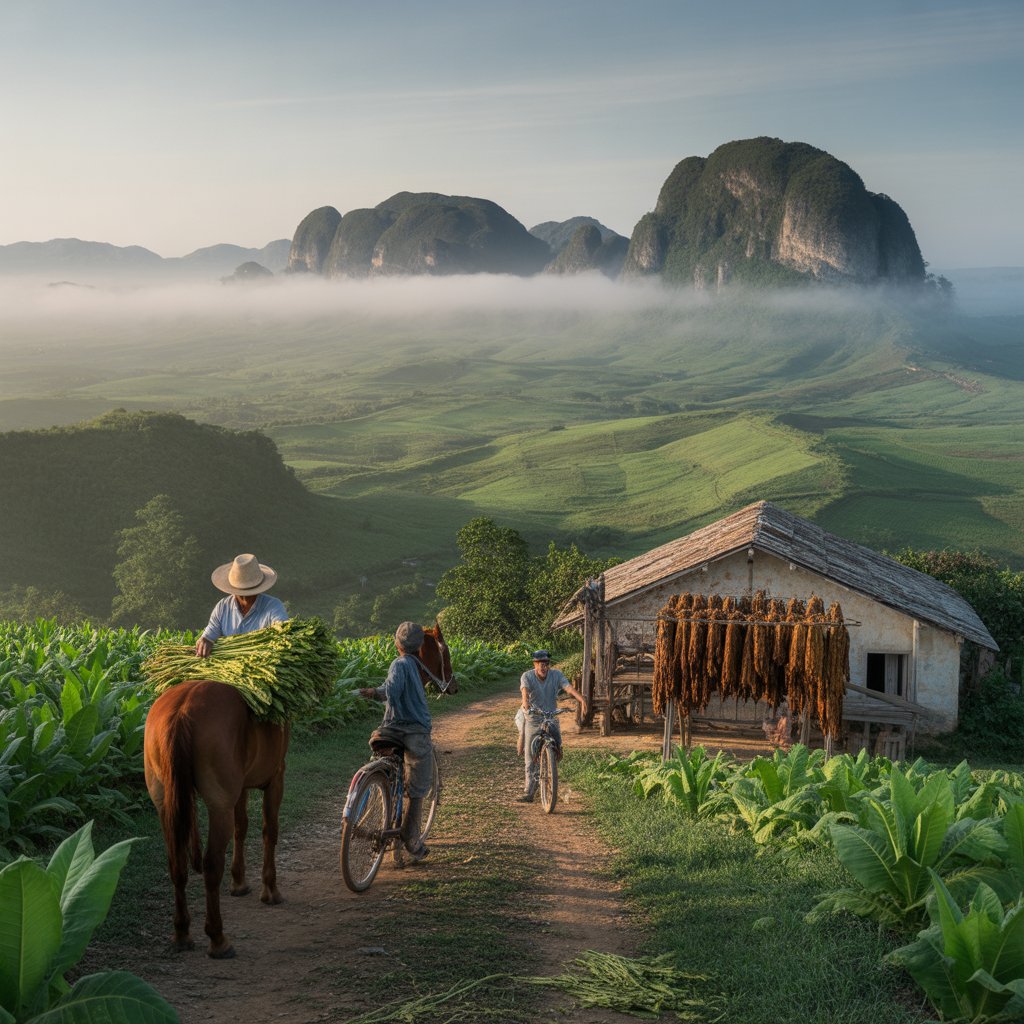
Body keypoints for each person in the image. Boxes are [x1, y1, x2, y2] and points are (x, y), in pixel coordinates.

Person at [358, 622, 433, 862]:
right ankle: (410, 838)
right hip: (416, 731)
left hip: (390, 729)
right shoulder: (412, 665)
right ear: (419, 647)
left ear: (396, 643)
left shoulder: (398, 664)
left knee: (379, 759)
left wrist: (373, 692)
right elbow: (397, 690)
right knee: (418, 787)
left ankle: (364, 811)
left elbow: (391, 691)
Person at [516, 650, 587, 803]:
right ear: (535, 664)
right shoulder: (527, 676)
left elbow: (567, 687)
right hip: (534, 718)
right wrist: (525, 703)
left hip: (550, 716)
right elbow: (524, 691)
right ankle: (529, 791)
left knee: (558, 746)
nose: (544, 667)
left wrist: (581, 699)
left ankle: (550, 767)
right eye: (541, 664)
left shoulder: (556, 675)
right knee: (529, 756)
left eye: (546, 664)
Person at [195, 553, 288, 657]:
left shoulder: (273, 606)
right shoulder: (223, 607)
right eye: (243, 594)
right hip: (227, 667)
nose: (246, 598)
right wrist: (206, 640)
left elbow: (282, 630)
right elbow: (210, 633)